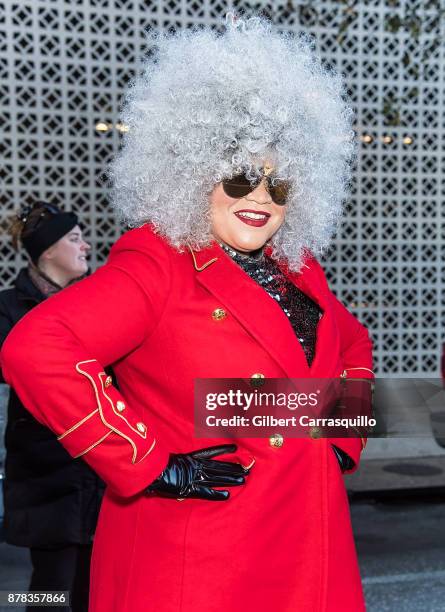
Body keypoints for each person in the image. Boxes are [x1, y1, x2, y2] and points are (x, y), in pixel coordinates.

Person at [1, 17, 374, 612]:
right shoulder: (157, 262)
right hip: (205, 560)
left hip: (312, 546)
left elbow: (352, 346)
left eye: (280, 187)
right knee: (48, 595)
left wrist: (337, 440)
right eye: (243, 175)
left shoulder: (299, 271)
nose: (261, 197)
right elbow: (38, 349)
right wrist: (147, 463)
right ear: (196, 170)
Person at [0, 202, 104, 612]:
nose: (87, 246)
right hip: (46, 472)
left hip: (98, 466)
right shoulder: (9, 307)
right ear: (47, 251)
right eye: (75, 239)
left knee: (93, 589)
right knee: (50, 587)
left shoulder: (99, 301)